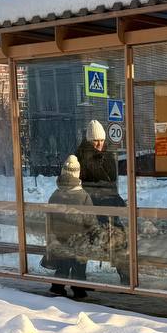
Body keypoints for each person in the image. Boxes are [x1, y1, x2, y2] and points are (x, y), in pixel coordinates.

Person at [74, 119, 130, 284]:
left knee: (119, 238)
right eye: (95, 140)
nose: (99, 143)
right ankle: (79, 281)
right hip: (89, 207)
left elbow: (111, 183)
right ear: (89, 140)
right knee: (84, 243)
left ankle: (127, 278)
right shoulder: (80, 157)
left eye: (101, 140)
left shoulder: (107, 156)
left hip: (108, 207)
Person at [45, 155, 95, 299]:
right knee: (79, 264)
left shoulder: (55, 195)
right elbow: (90, 219)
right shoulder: (83, 196)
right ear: (77, 173)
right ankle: (79, 288)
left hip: (59, 240)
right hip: (79, 240)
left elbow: (50, 218)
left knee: (63, 265)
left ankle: (57, 287)